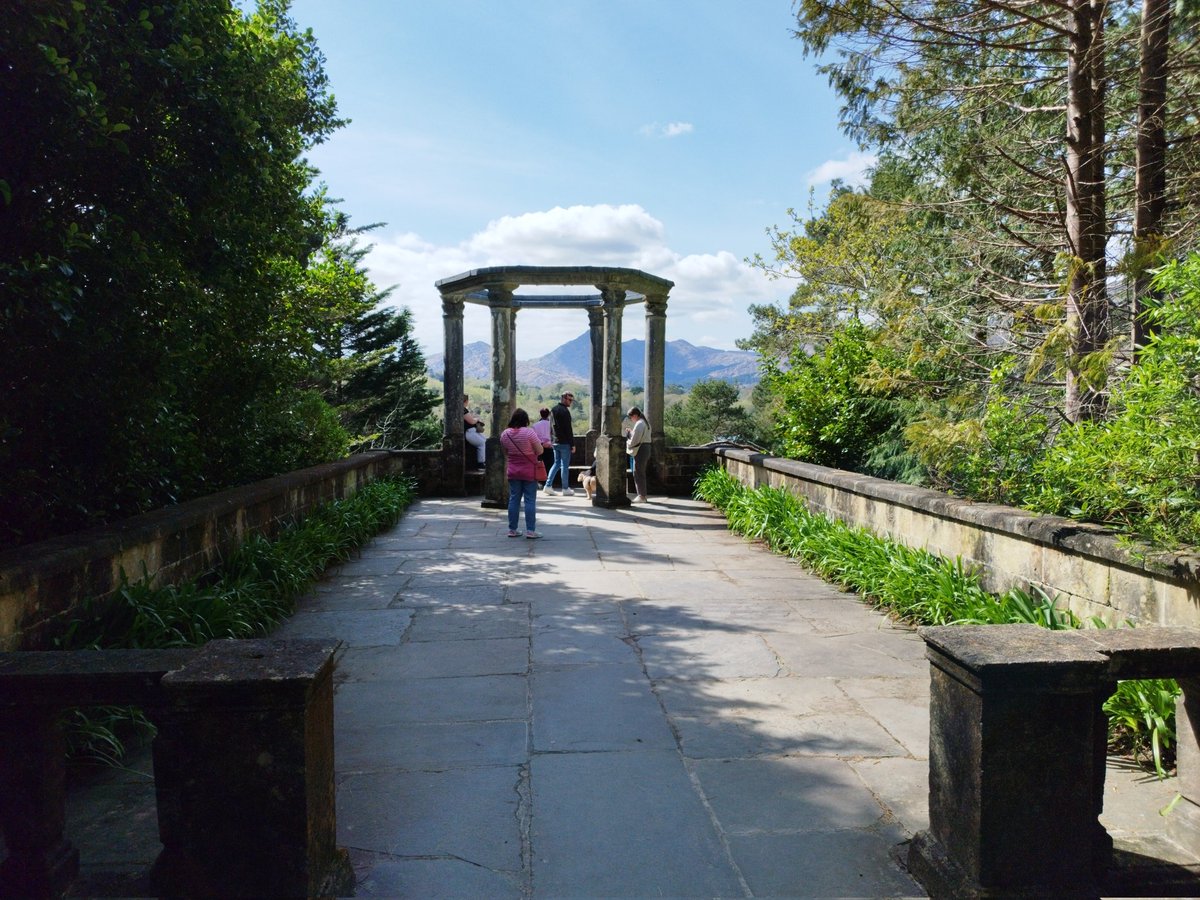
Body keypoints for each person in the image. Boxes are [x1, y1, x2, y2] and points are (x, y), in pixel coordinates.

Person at [500, 408, 543, 539]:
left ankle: (512, 529)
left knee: (514, 499)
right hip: (529, 471)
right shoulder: (529, 433)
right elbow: (540, 450)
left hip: (513, 471)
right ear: (526, 420)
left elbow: (505, 452)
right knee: (530, 500)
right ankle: (530, 531)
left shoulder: (505, 434)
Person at [543, 391, 576, 496]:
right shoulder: (565, 412)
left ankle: (548, 486)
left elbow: (551, 427)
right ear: (564, 398)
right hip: (564, 443)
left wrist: (552, 440)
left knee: (556, 464)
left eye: (571, 400)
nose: (571, 402)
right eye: (569, 400)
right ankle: (565, 489)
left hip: (555, 442)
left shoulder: (553, 410)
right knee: (564, 466)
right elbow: (568, 429)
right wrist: (572, 444)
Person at [624, 406, 651, 503]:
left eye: (631, 417)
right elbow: (640, 436)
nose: (631, 419)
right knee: (640, 471)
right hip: (646, 448)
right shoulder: (645, 423)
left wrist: (628, 440)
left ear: (635, 415)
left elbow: (634, 441)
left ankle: (641, 496)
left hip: (641, 450)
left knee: (638, 472)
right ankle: (642, 495)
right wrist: (632, 432)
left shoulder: (639, 424)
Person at [463, 394, 487, 468]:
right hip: (469, 432)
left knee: (485, 440)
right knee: (482, 443)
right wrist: (476, 419)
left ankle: (484, 460)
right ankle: (481, 463)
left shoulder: (462, 409)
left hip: (471, 431)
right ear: (466, 401)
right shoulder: (463, 409)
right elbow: (471, 421)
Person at [532, 407, 554, 486]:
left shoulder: (535, 425)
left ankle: (540, 481)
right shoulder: (551, 425)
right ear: (548, 414)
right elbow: (554, 436)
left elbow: (533, 437)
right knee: (550, 465)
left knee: (540, 464)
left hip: (539, 447)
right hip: (549, 447)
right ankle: (548, 483)